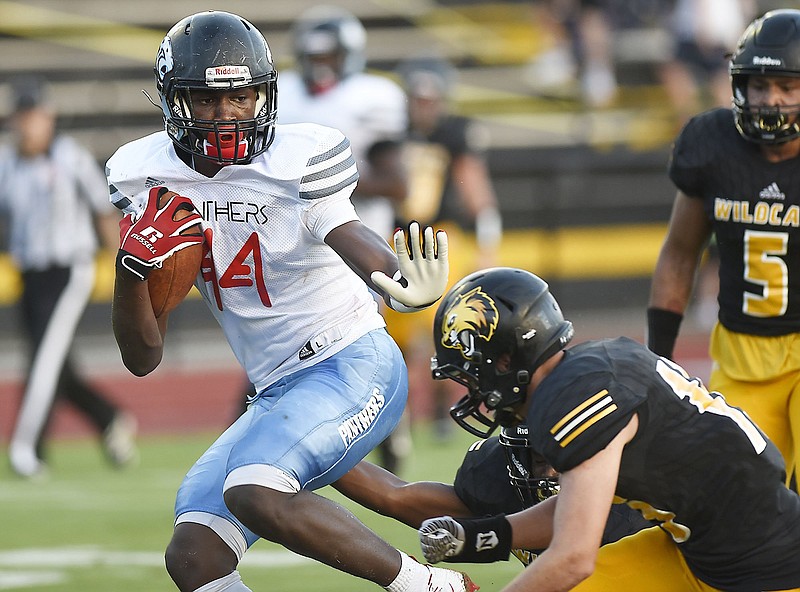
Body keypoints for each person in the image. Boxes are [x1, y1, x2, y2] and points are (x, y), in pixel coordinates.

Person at [106, 11, 475, 592]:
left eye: (242, 98)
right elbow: (142, 358)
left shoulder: (295, 160)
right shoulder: (146, 177)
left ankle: (432, 587)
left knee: (255, 488)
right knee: (195, 554)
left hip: (350, 361)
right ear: (175, 103)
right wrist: (130, 272)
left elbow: (347, 231)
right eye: (206, 101)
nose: (227, 115)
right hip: (276, 388)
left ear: (266, 97)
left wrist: (395, 280)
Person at [417, 266, 800, 591]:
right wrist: (479, 537)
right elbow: (576, 507)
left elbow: (572, 558)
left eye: (472, 374)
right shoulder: (588, 367)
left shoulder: (572, 398)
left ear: (504, 360)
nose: (472, 391)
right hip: (701, 550)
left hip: (763, 569)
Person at [648, 8, 800, 491]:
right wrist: (659, 365)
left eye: (786, 87)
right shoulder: (711, 143)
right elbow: (679, 253)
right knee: (736, 501)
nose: (769, 100)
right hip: (741, 355)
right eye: (758, 86)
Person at [273, 5, 412, 472]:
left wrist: (319, 187)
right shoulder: (285, 96)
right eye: (313, 56)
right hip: (293, 244)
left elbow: (398, 183)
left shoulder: (373, 97)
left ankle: (388, 444)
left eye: (330, 55)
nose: (321, 66)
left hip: (355, 240)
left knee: (359, 345)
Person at [0, 76, 137, 479]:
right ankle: (109, 417)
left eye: (33, 115)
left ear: (48, 116)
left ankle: (27, 448)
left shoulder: (70, 158)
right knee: (56, 363)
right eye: (20, 116)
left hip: (69, 268)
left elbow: (102, 209)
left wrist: (121, 271)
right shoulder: (7, 164)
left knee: (42, 359)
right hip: (29, 271)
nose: (26, 125)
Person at [384, 56, 503, 440]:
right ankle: (394, 412)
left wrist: (487, 243)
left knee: (442, 330)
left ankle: (438, 410)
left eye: (430, 100)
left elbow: (475, 189)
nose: (424, 108)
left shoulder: (454, 134)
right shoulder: (390, 132)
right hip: (396, 239)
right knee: (394, 335)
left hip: (440, 238)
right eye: (419, 99)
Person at [333, 424, 650, 567]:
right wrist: (309, 451)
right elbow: (395, 496)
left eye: (566, 460)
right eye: (541, 460)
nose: (552, 474)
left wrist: (471, 539)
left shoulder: (633, 507)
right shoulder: (496, 480)